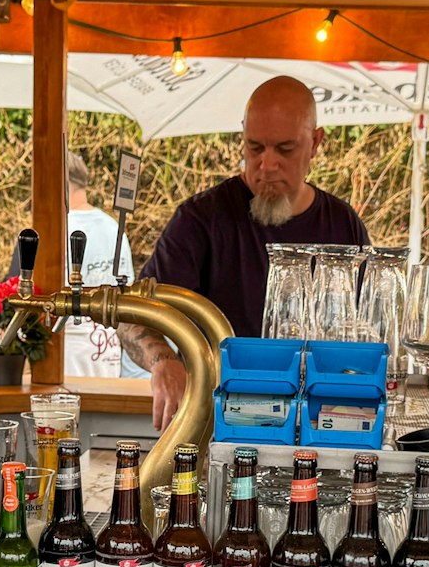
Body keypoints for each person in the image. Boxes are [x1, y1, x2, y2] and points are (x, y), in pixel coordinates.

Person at [122, 75, 369, 428]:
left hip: (321, 429)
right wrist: (163, 361)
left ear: (315, 143)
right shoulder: (201, 220)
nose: (267, 165)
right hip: (217, 429)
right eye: (255, 148)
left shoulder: (344, 227)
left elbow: (368, 335)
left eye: (285, 149)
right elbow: (132, 315)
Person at [63, 151, 134, 377]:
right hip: (111, 352)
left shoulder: (60, 229)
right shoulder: (114, 227)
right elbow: (129, 296)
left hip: (70, 357)